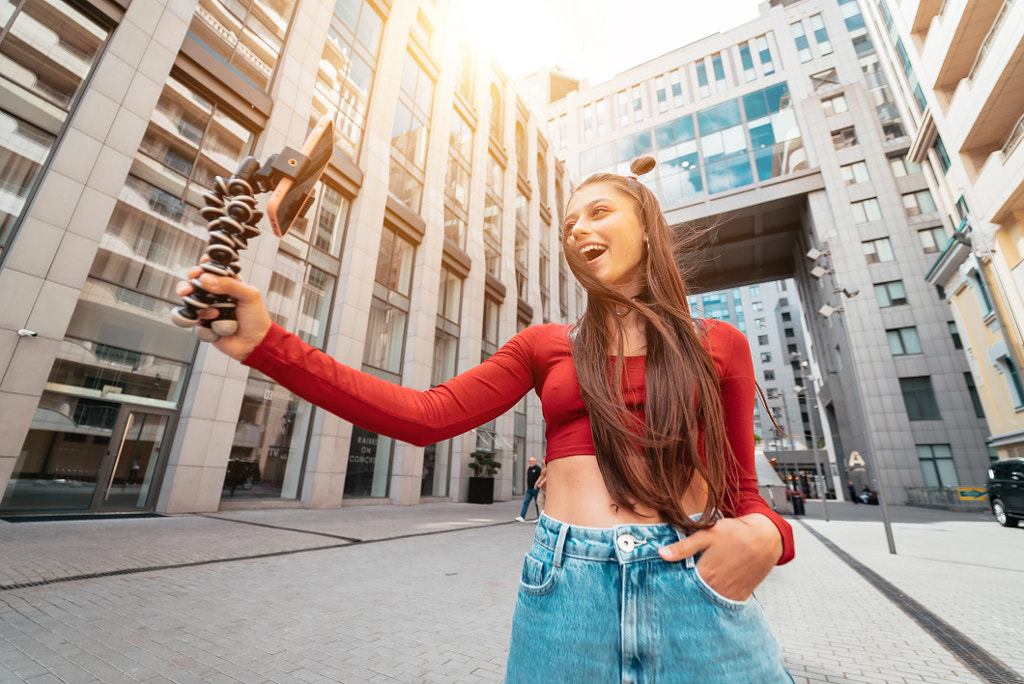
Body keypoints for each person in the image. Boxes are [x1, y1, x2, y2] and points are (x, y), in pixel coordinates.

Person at [177, 155, 794, 682]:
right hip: (568, 590)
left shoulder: (720, 344)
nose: (578, 229)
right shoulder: (544, 345)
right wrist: (266, 344)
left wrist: (770, 539)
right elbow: (425, 415)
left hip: (692, 582)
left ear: (648, 228)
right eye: (570, 223)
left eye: (599, 212)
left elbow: (743, 494)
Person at [516, 456, 542, 522]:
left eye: (532, 461)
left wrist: (538, 484)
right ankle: (522, 517)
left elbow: (541, 477)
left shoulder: (538, 468)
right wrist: (527, 486)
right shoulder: (529, 469)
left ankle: (538, 517)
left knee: (537, 503)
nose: (531, 462)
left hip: (535, 489)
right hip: (529, 489)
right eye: (530, 461)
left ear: (535, 462)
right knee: (525, 502)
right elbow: (528, 478)